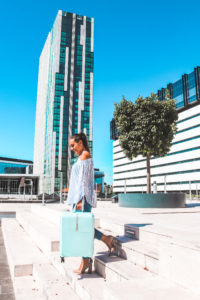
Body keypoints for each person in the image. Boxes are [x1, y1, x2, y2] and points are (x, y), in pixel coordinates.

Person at [67, 132, 119, 274]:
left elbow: (83, 182)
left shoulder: (84, 156)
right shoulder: (82, 157)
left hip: (82, 199)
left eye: (73, 145)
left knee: (82, 229)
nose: (72, 148)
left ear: (80, 143)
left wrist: (79, 201)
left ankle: (86, 261)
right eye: (70, 146)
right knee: (83, 228)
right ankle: (105, 241)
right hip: (80, 199)